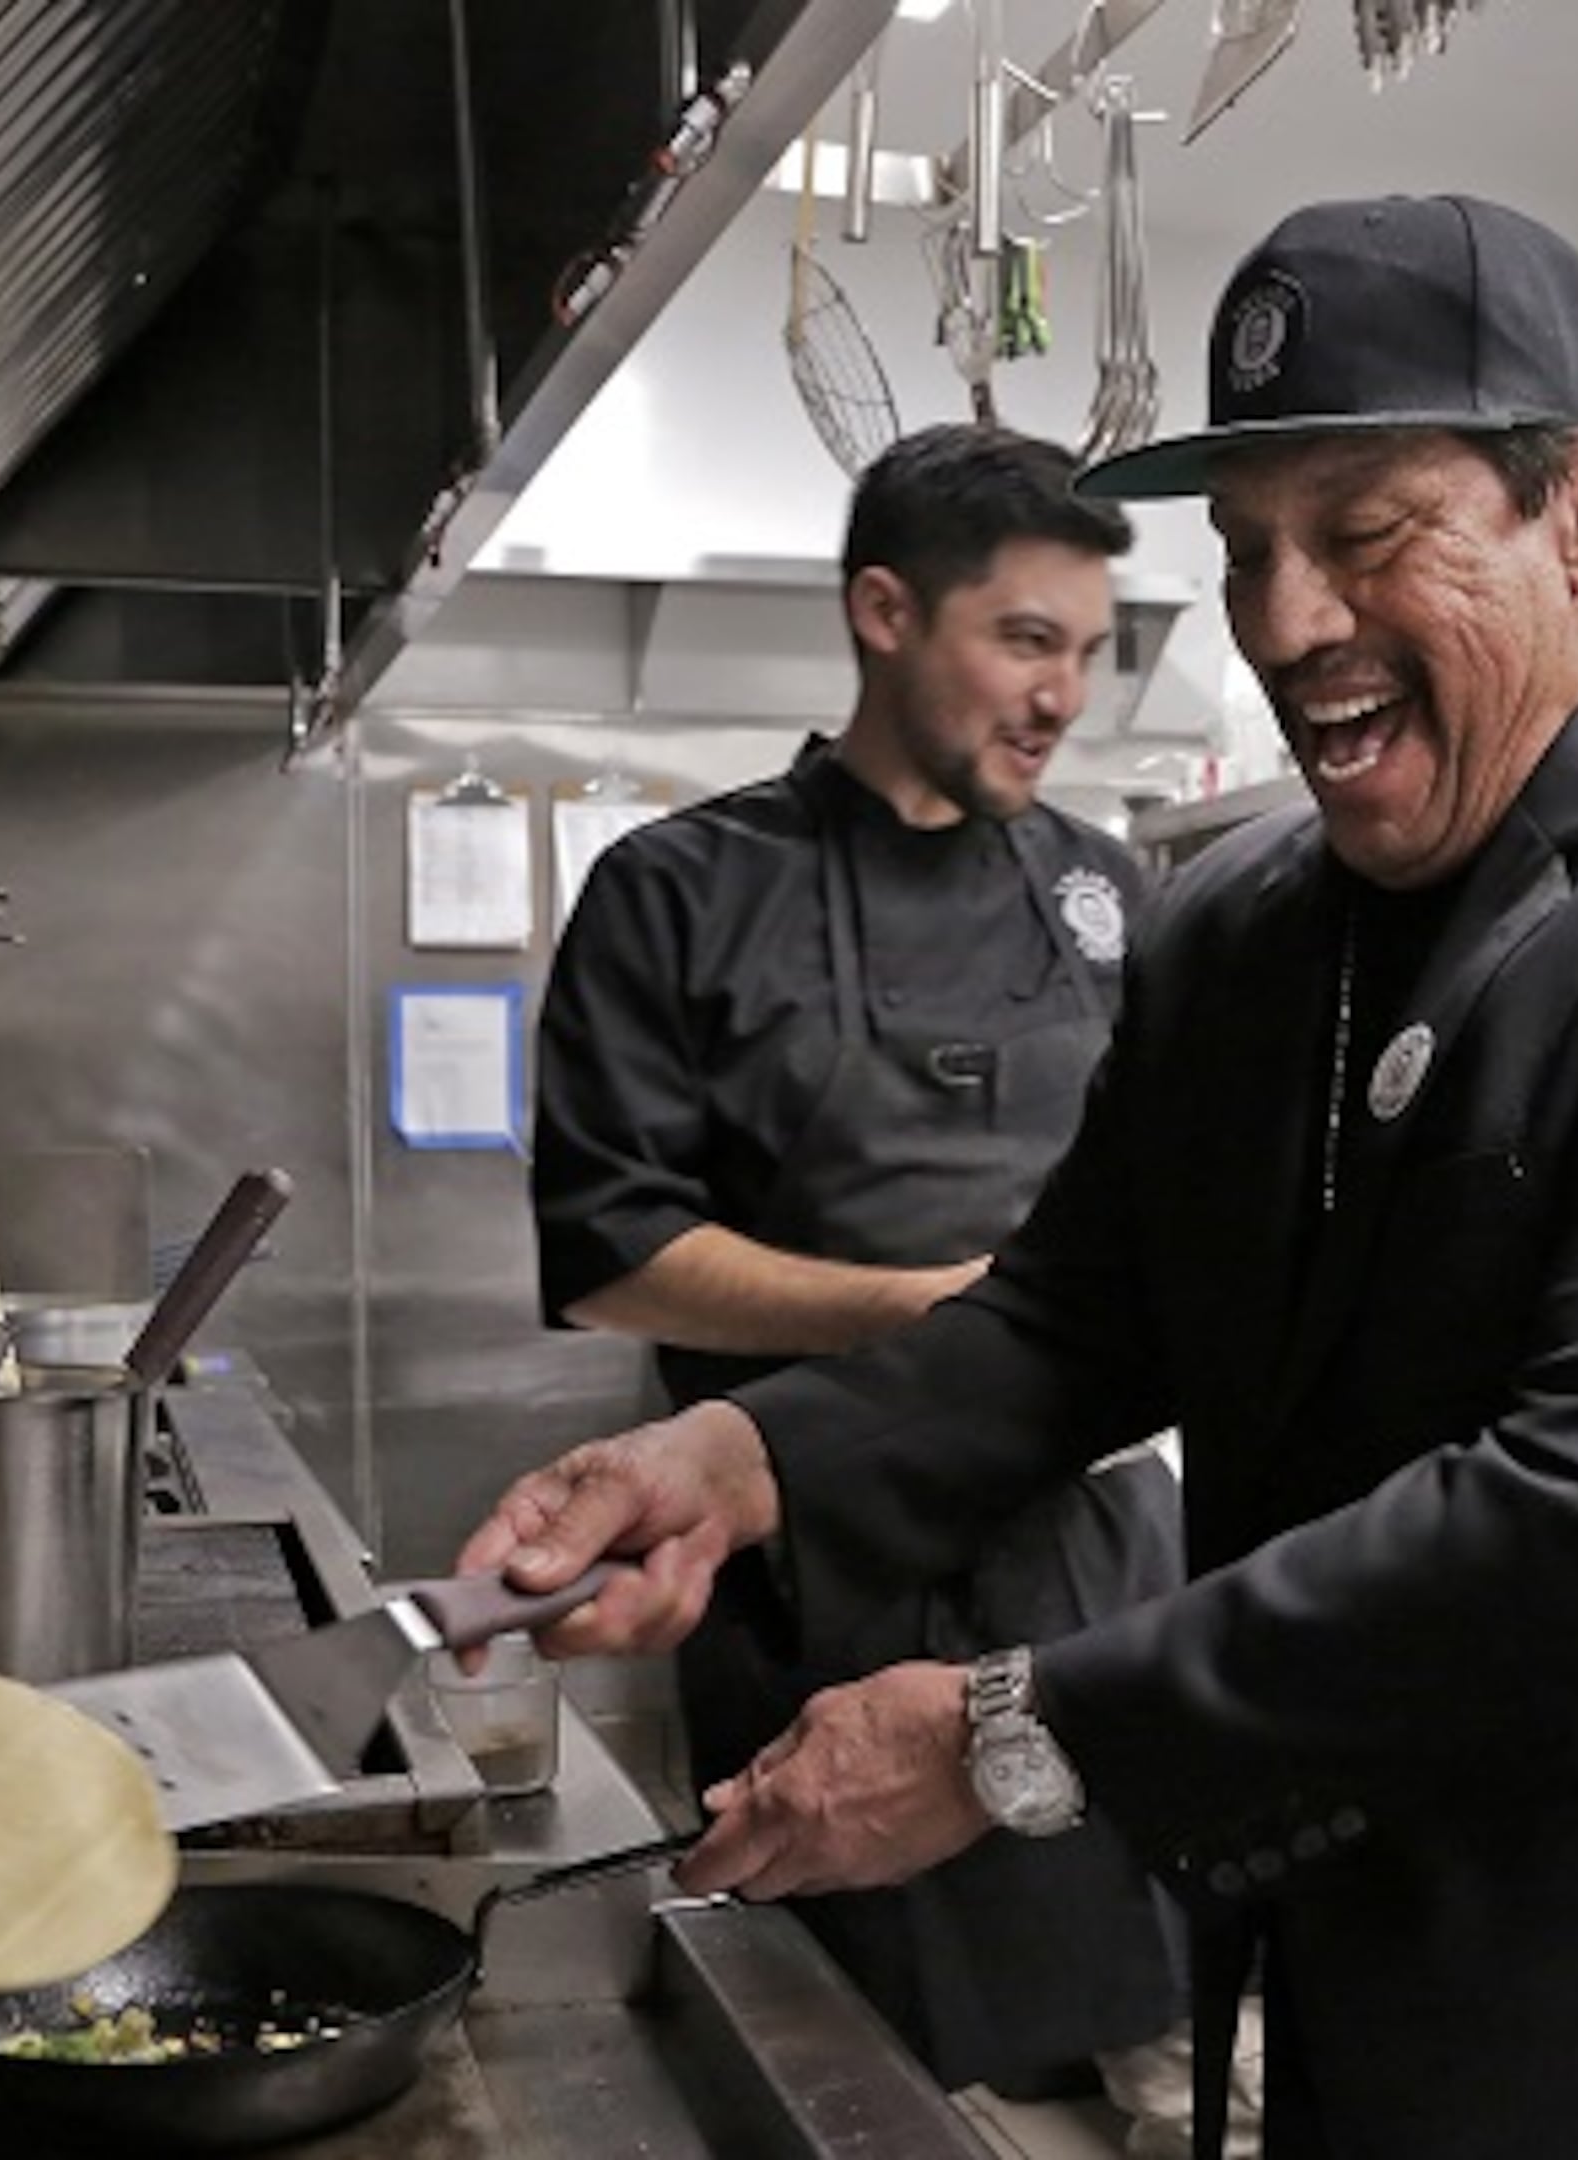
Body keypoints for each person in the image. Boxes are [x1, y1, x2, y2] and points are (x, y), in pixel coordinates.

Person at [473, 194, 1578, 2157]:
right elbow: (1072, 1320)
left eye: (1366, 535)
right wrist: (737, 1467)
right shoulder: (1239, 928)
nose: (1287, 625)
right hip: (1346, 1974)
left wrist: (1012, 1732)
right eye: (1251, 553)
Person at [528, 423, 1198, 2125]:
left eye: (1089, 656)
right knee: (848, 2074)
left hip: (1100, 1565)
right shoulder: (677, 890)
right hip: (807, 1587)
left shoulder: (1106, 895)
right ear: (885, 612)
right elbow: (613, 1258)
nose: (1063, 697)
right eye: (1026, 642)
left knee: (1166, 2038)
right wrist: (915, 1312)